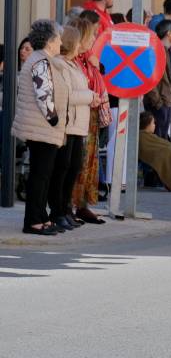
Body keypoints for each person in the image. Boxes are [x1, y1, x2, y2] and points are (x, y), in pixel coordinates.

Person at [14, 20, 69, 235]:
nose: (61, 42)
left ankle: (41, 217)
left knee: (43, 175)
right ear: (50, 40)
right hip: (42, 127)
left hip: (43, 127)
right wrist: (54, 120)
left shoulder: (43, 59)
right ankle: (33, 221)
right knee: (40, 175)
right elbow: (44, 94)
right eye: (58, 38)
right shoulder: (40, 61)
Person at [48, 25, 96, 230]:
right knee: (63, 169)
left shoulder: (73, 64)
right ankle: (57, 211)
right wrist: (91, 96)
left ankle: (65, 209)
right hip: (68, 125)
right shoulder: (60, 65)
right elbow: (66, 95)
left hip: (78, 125)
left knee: (73, 167)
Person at [68, 17, 109, 223]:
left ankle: (82, 204)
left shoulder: (90, 59)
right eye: (91, 34)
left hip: (91, 116)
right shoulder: (73, 60)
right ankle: (69, 204)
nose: (95, 37)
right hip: (78, 114)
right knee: (77, 161)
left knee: (89, 161)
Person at [143, 19, 171, 140]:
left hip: (165, 102)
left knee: (162, 140)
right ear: (169, 33)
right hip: (159, 103)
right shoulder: (155, 50)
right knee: (157, 141)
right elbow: (150, 79)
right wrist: (158, 103)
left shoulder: (167, 50)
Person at [137, 111, 171, 190]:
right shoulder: (143, 136)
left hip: (163, 152)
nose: (155, 125)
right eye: (153, 123)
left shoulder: (147, 135)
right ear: (147, 125)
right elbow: (148, 150)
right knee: (169, 152)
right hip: (158, 154)